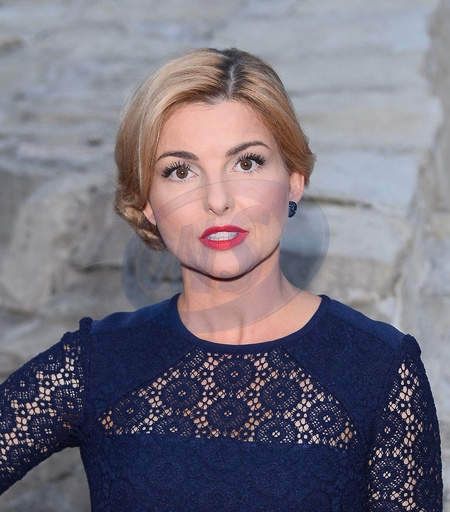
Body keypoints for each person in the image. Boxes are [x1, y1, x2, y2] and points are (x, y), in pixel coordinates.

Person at [0, 48, 442, 511]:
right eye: (180, 171)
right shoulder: (97, 363)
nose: (217, 199)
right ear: (147, 203)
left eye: (246, 163)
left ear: (294, 179)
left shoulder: (379, 368)